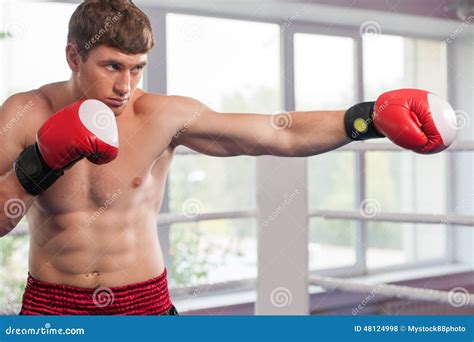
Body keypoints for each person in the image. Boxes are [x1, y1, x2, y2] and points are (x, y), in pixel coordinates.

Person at [0, 0, 456, 315]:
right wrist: (38, 163)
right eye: (112, 67)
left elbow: (277, 132)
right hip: (54, 305)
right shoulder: (24, 114)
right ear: (73, 56)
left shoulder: (162, 115)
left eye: (138, 68)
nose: (126, 86)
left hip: (145, 301)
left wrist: (367, 119)